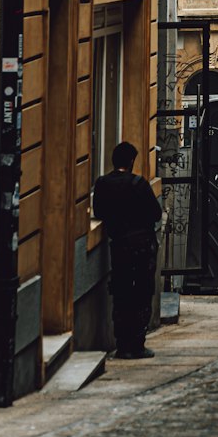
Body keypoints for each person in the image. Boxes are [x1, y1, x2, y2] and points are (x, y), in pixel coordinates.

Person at [92, 141, 162, 360]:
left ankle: (122, 345)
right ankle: (137, 344)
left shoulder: (102, 183)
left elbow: (100, 211)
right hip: (141, 246)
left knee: (121, 294)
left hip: (119, 246)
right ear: (131, 161)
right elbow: (155, 213)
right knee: (142, 293)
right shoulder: (138, 184)